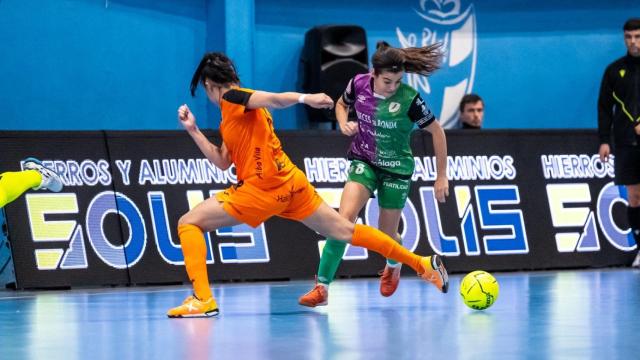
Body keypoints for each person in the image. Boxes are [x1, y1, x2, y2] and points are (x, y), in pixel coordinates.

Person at [167, 52, 449, 318]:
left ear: (209, 85)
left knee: (188, 223)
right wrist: (193, 130)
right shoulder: (235, 113)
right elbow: (221, 161)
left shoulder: (233, 97)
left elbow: (275, 99)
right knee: (344, 229)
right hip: (290, 183)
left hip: (260, 190)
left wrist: (306, 98)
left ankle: (203, 299)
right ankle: (423, 264)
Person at [298, 41, 449, 307]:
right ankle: (322, 286)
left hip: (396, 170)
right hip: (364, 161)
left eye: (398, 81)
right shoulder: (358, 84)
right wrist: (344, 124)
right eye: (388, 81)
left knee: (387, 234)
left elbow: (437, 132)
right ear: (373, 74)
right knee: (342, 222)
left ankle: (393, 264)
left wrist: (441, 176)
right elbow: (341, 105)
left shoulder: (409, 99)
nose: (393, 88)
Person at [598, 18, 640, 268]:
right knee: (634, 197)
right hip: (626, 142)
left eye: (637, 36)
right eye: (629, 37)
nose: (633, 42)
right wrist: (604, 139)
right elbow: (605, 107)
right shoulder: (614, 70)